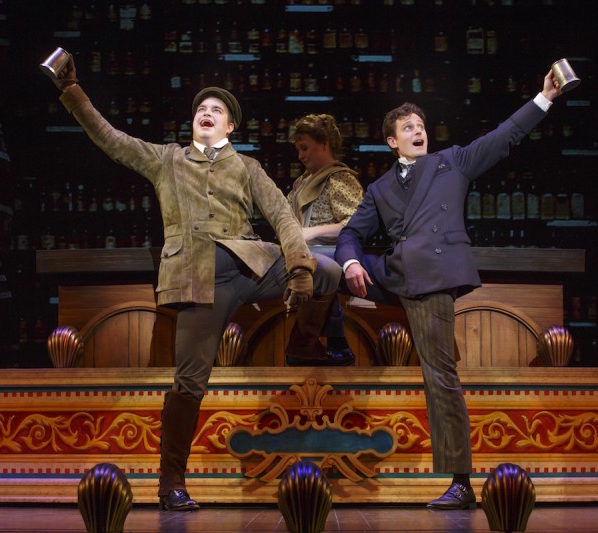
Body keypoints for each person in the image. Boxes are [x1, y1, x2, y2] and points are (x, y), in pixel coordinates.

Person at [49, 55, 342, 512]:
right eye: (200, 109)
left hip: (250, 264)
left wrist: (300, 266)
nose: (206, 112)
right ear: (194, 123)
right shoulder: (167, 159)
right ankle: (172, 483)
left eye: (216, 110)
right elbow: (110, 139)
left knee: (328, 271)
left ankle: (304, 340)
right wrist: (73, 91)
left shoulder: (246, 166)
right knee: (189, 381)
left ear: (229, 127)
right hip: (197, 277)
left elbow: (282, 215)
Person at [335, 69, 562, 510]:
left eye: (421, 126)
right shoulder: (379, 188)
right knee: (323, 265)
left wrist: (545, 97)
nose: (418, 131)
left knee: (439, 375)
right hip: (395, 272)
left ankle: (461, 481)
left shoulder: (451, 162)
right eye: (408, 128)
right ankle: (324, 343)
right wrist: (348, 262)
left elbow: (503, 136)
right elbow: (350, 233)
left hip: (431, 276)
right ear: (392, 142)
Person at [285, 114, 364, 366]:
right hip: (302, 253)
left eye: (305, 148)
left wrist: (312, 232)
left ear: (325, 145)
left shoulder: (340, 179)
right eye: (298, 149)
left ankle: (319, 342)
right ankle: (335, 343)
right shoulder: (301, 182)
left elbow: (355, 226)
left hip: (332, 253)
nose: (300, 156)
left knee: (319, 266)